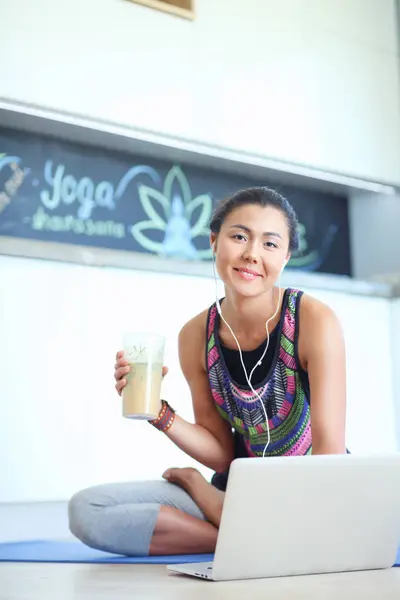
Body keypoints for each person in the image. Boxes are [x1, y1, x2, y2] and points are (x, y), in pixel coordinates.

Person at [68, 186, 347, 557]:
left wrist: (200, 489)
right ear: (215, 241)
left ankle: (255, 534)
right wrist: (157, 412)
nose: (251, 255)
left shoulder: (313, 320)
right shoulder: (196, 336)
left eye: (269, 244)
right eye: (238, 237)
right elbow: (221, 453)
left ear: (286, 256)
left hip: (312, 496)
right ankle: (253, 543)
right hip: (236, 495)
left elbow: (329, 454)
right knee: (88, 511)